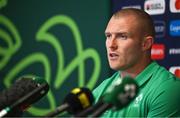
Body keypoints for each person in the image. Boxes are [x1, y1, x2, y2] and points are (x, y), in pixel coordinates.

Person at [93, 8, 180, 117]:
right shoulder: (103, 89)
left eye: (122, 36)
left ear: (146, 44)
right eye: (108, 36)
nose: (111, 45)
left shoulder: (167, 88)